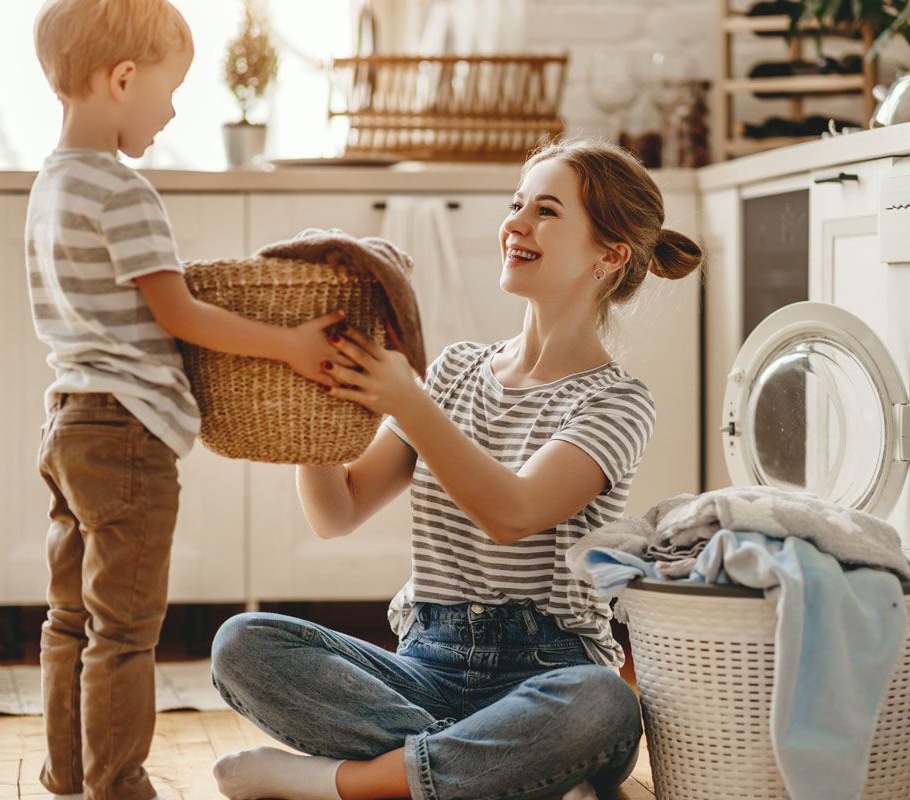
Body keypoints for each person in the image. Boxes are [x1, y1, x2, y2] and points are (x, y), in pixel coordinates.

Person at [208, 139, 704, 800]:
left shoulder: (613, 402)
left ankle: (349, 783)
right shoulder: (454, 371)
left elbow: (515, 513)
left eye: (547, 211)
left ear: (609, 256)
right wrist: (316, 402)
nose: (516, 224)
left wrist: (406, 401)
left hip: (547, 667)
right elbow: (337, 511)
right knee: (243, 644)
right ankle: (491, 768)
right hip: (428, 663)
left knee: (601, 704)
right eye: (517, 204)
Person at [27, 2, 345, 798]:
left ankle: (67, 772)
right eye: (170, 91)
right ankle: (119, 782)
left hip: (68, 421)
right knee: (126, 628)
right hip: (129, 432)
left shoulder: (51, 183)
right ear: (123, 79)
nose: (173, 110)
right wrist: (291, 345)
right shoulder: (123, 191)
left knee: (70, 616)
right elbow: (180, 314)